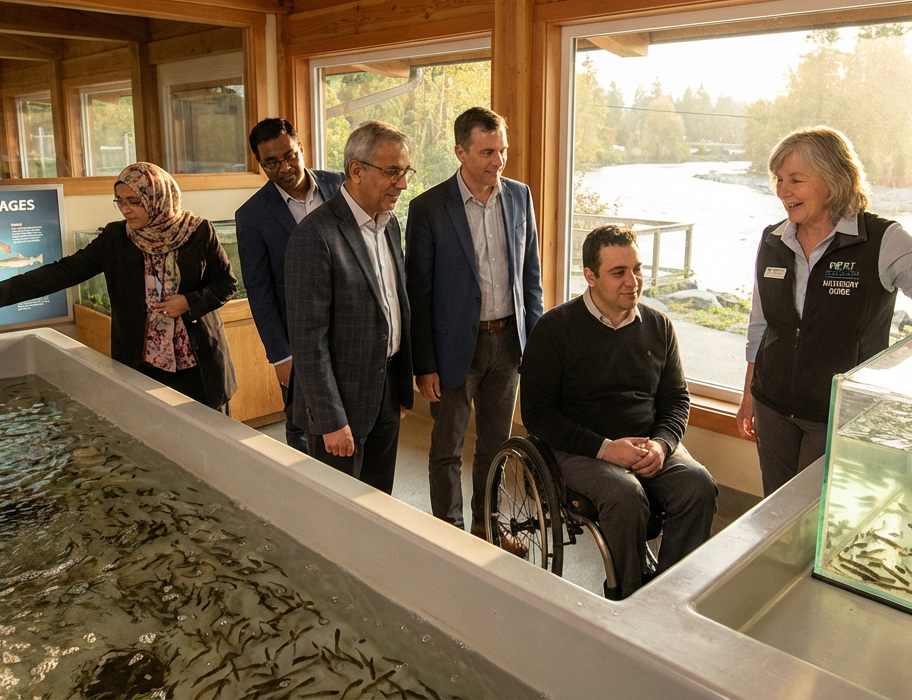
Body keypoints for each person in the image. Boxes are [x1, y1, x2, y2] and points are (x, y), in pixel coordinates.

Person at [736, 126, 912, 496]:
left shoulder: (882, 239)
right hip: (771, 404)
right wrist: (749, 395)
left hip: (838, 413)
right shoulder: (773, 239)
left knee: (814, 517)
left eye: (795, 179)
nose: (783, 191)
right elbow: (761, 325)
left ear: (833, 180)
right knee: (773, 506)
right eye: (778, 179)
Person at [520, 224, 718, 598]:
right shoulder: (554, 329)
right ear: (590, 276)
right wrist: (607, 449)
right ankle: (627, 594)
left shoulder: (658, 326)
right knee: (625, 496)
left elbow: (676, 399)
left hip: (648, 443)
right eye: (619, 272)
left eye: (637, 269)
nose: (633, 281)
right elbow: (538, 414)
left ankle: (671, 593)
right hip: (580, 448)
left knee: (699, 486)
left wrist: (661, 445)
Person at [0, 162, 238, 412]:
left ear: (157, 198)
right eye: (120, 201)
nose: (126, 210)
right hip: (142, 364)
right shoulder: (115, 239)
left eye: (134, 202)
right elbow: (61, 272)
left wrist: (189, 302)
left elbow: (226, 284)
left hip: (197, 364)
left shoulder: (199, 232)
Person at [405, 107, 544, 538]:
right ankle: (450, 535)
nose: (497, 161)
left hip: (507, 344)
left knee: (495, 446)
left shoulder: (520, 197)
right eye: (487, 152)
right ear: (460, 151)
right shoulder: (428, 207)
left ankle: (487, 526)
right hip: (451, 350)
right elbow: (419, 293)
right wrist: (423, 363)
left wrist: (534, 345)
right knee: (446, 448)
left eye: (502, 150)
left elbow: (531, 277)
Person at [283, 121, 414, 492]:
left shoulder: (390, 226)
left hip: (385, 392)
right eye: (392, 172)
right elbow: (308, 340)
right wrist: (330, 420)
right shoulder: (314, 236)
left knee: (378, 501)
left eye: (405, 172)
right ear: (356, 170)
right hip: (339, 405)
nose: (402, 184)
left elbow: (394, 304)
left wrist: (398, 389)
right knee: (337, 513)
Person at [236, 118, 346, 454]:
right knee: (302, 419)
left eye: (290, 155)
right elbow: (260, 291)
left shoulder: (341, 185)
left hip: (349, 327)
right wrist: (280, 355)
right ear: (261, 164)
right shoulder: (252, 215)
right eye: (272, 162)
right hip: (297, 339)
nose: (285, 168)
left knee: (351, 413)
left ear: (300, 146)